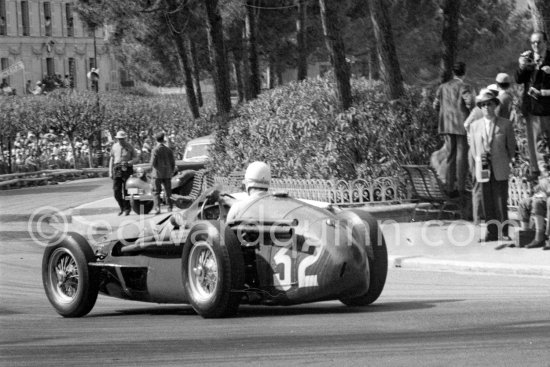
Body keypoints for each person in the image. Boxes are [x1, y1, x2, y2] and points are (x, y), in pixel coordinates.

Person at [469, 89, 516, 242]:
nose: (486, 108)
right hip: (483, 167)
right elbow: (474, 148)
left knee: (501, 200)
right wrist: (479, 160)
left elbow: (511, 148)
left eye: (489, 104)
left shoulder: (505, 124)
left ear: (495, 105)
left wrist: (503, 160)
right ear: (480, 107)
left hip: (499, 166)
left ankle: (504, 232)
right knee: (487, 201)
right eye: (483, 105)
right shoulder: (474, 126)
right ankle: (491, 232)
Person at [433, 61, 476, 197]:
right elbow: (469, 102)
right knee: (462, 156)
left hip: (447, 125)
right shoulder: (465, 86)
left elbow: (435, 105)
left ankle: (450, 187)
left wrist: (445, 114)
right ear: (464, 72)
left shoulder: (442, 87)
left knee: (451, 155)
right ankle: (461, 188)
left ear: (453, 72)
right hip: (462, 125)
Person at [515, 31, 550, 179]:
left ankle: (546, 174)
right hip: (531, 108)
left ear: (546, 43)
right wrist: (523, 66)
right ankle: (538, 174)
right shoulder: (528, 58)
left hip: (547, 108)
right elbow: (518, 79)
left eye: (539, 42)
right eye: (533, 42)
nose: (536, 45)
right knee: (535, 144)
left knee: (545, 143)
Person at [517, 161, 550, 250]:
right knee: (524, 203)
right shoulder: (545, 170)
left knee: (538, 203)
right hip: (544, 195)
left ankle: (540, 237)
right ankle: (526, 236)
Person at [109, 130, 137, 215]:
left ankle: (127, 209)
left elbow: (136, 158)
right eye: (119, 139)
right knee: (116, 191)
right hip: (117, 169)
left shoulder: (130, 147)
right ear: (117, 139)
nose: (121, 140)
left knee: (126, 190)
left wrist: (130, 162)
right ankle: (122, 207)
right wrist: (110, 171)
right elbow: (111, 159)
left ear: (125, 138)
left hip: (127, 169)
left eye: (122, 139)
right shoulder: (114, 146)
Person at [150, 132, 175, 214]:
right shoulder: (168, 150)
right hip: (167, 174)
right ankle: (170, 207)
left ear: (156, 140)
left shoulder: (155, 150)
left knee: (156, 192)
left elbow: (152, 163)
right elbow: (173, 163)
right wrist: (171, 171)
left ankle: (157, 208)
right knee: (168, 191)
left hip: (157, 174)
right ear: (163, 139)